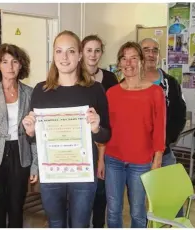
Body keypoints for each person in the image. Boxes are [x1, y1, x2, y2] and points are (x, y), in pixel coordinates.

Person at [22, 30, 111, 228]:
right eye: (59, 51)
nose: (64, 57)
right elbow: (35, 138)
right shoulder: (41, 90)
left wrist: (97, 128)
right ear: (53, 55)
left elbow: (106, 134)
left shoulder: (95, 89)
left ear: (80, 55)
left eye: (70, 51)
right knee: (56, 223)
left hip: (83, 174)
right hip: (52, 171)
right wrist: (29, 131)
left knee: (80, 224)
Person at [0, 43, 38, 228]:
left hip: (20, 156)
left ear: (21, 65)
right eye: (5, 62)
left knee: (16, 209)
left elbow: (34, 131)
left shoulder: (29, 92)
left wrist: (34, 165)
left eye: (15, 62)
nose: (10, 67)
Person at [104, 41, 166, 228]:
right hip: (113, 160)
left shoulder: (155, 92)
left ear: (141, 61)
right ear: (119, 63)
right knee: (113, 210)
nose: (128, 63)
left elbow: (160, 128)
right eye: (124, 58)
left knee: (138, 211)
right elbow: (107, 128)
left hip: (140, 162)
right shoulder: (112, 93)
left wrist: (157, 159)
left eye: (133, 58)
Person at [140, 37, 186, 216]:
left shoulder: (171, 84)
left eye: (155, 50)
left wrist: (163, 143)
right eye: (146, 49)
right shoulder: (128, 83)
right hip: (137, 154)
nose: (151, 54)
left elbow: (179, 115)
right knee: (139, 204)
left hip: (164, 152)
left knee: (173, 200)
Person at [81, 34, 118, 228]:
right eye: (89, 50)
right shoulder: (72, 77)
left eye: (97, 50)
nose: (93, 55)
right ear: (81, 52)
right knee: (79, 200)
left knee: (101, 193)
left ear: (102, 53)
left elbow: (112, 115)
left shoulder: (110, 79)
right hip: (79, 148)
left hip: (104, 144)